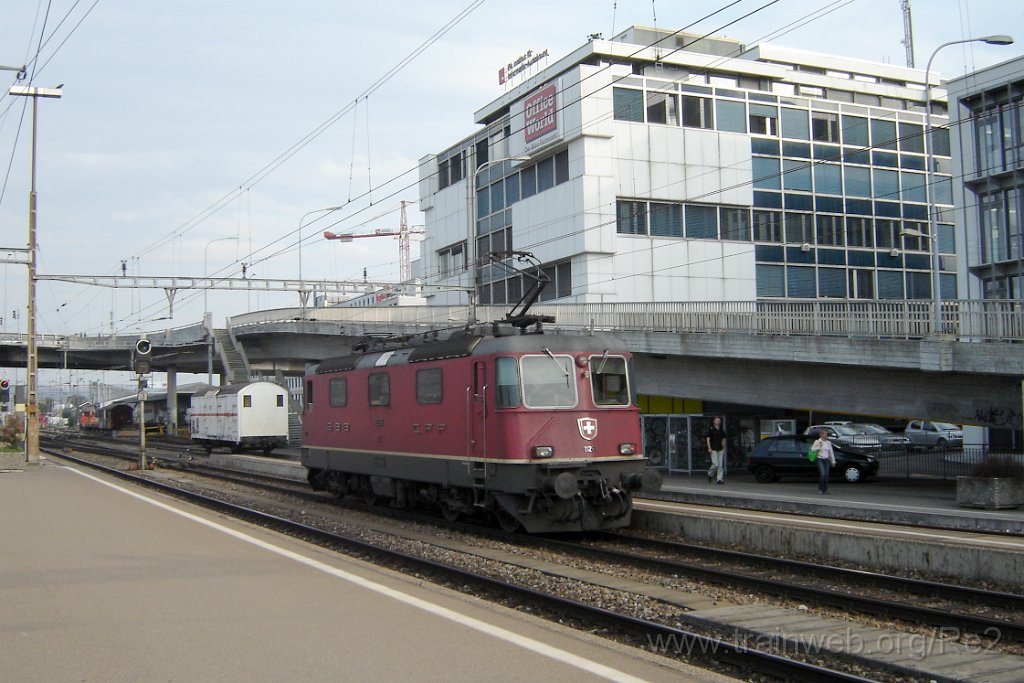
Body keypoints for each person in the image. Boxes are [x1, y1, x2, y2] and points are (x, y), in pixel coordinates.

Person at [811, 428, 837, 494]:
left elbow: (831, 452)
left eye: (826, 434)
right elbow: (812, 450)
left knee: (826, 475)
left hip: (826, 460)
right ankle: (820, 489)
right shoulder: (817, 441)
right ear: (821, 435)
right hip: (820, 459)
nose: (825, 435)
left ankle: (825, 489)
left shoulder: (828, 443)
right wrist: (819, 446)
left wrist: (833, 461)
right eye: (824, 434)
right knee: (822, 474)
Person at [705, 416, 726, 484]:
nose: (718, 422)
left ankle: (719, 479)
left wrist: (724, 449)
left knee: (720, 465)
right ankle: (710, 474)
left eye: (719, 421)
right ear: (714, 422)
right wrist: (709, 447)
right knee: (715, 464)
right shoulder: (711, 429)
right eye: (717, 421)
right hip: (713, 449)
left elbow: (723, 440)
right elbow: (708, 439)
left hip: (720, 449)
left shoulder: (721, 430)